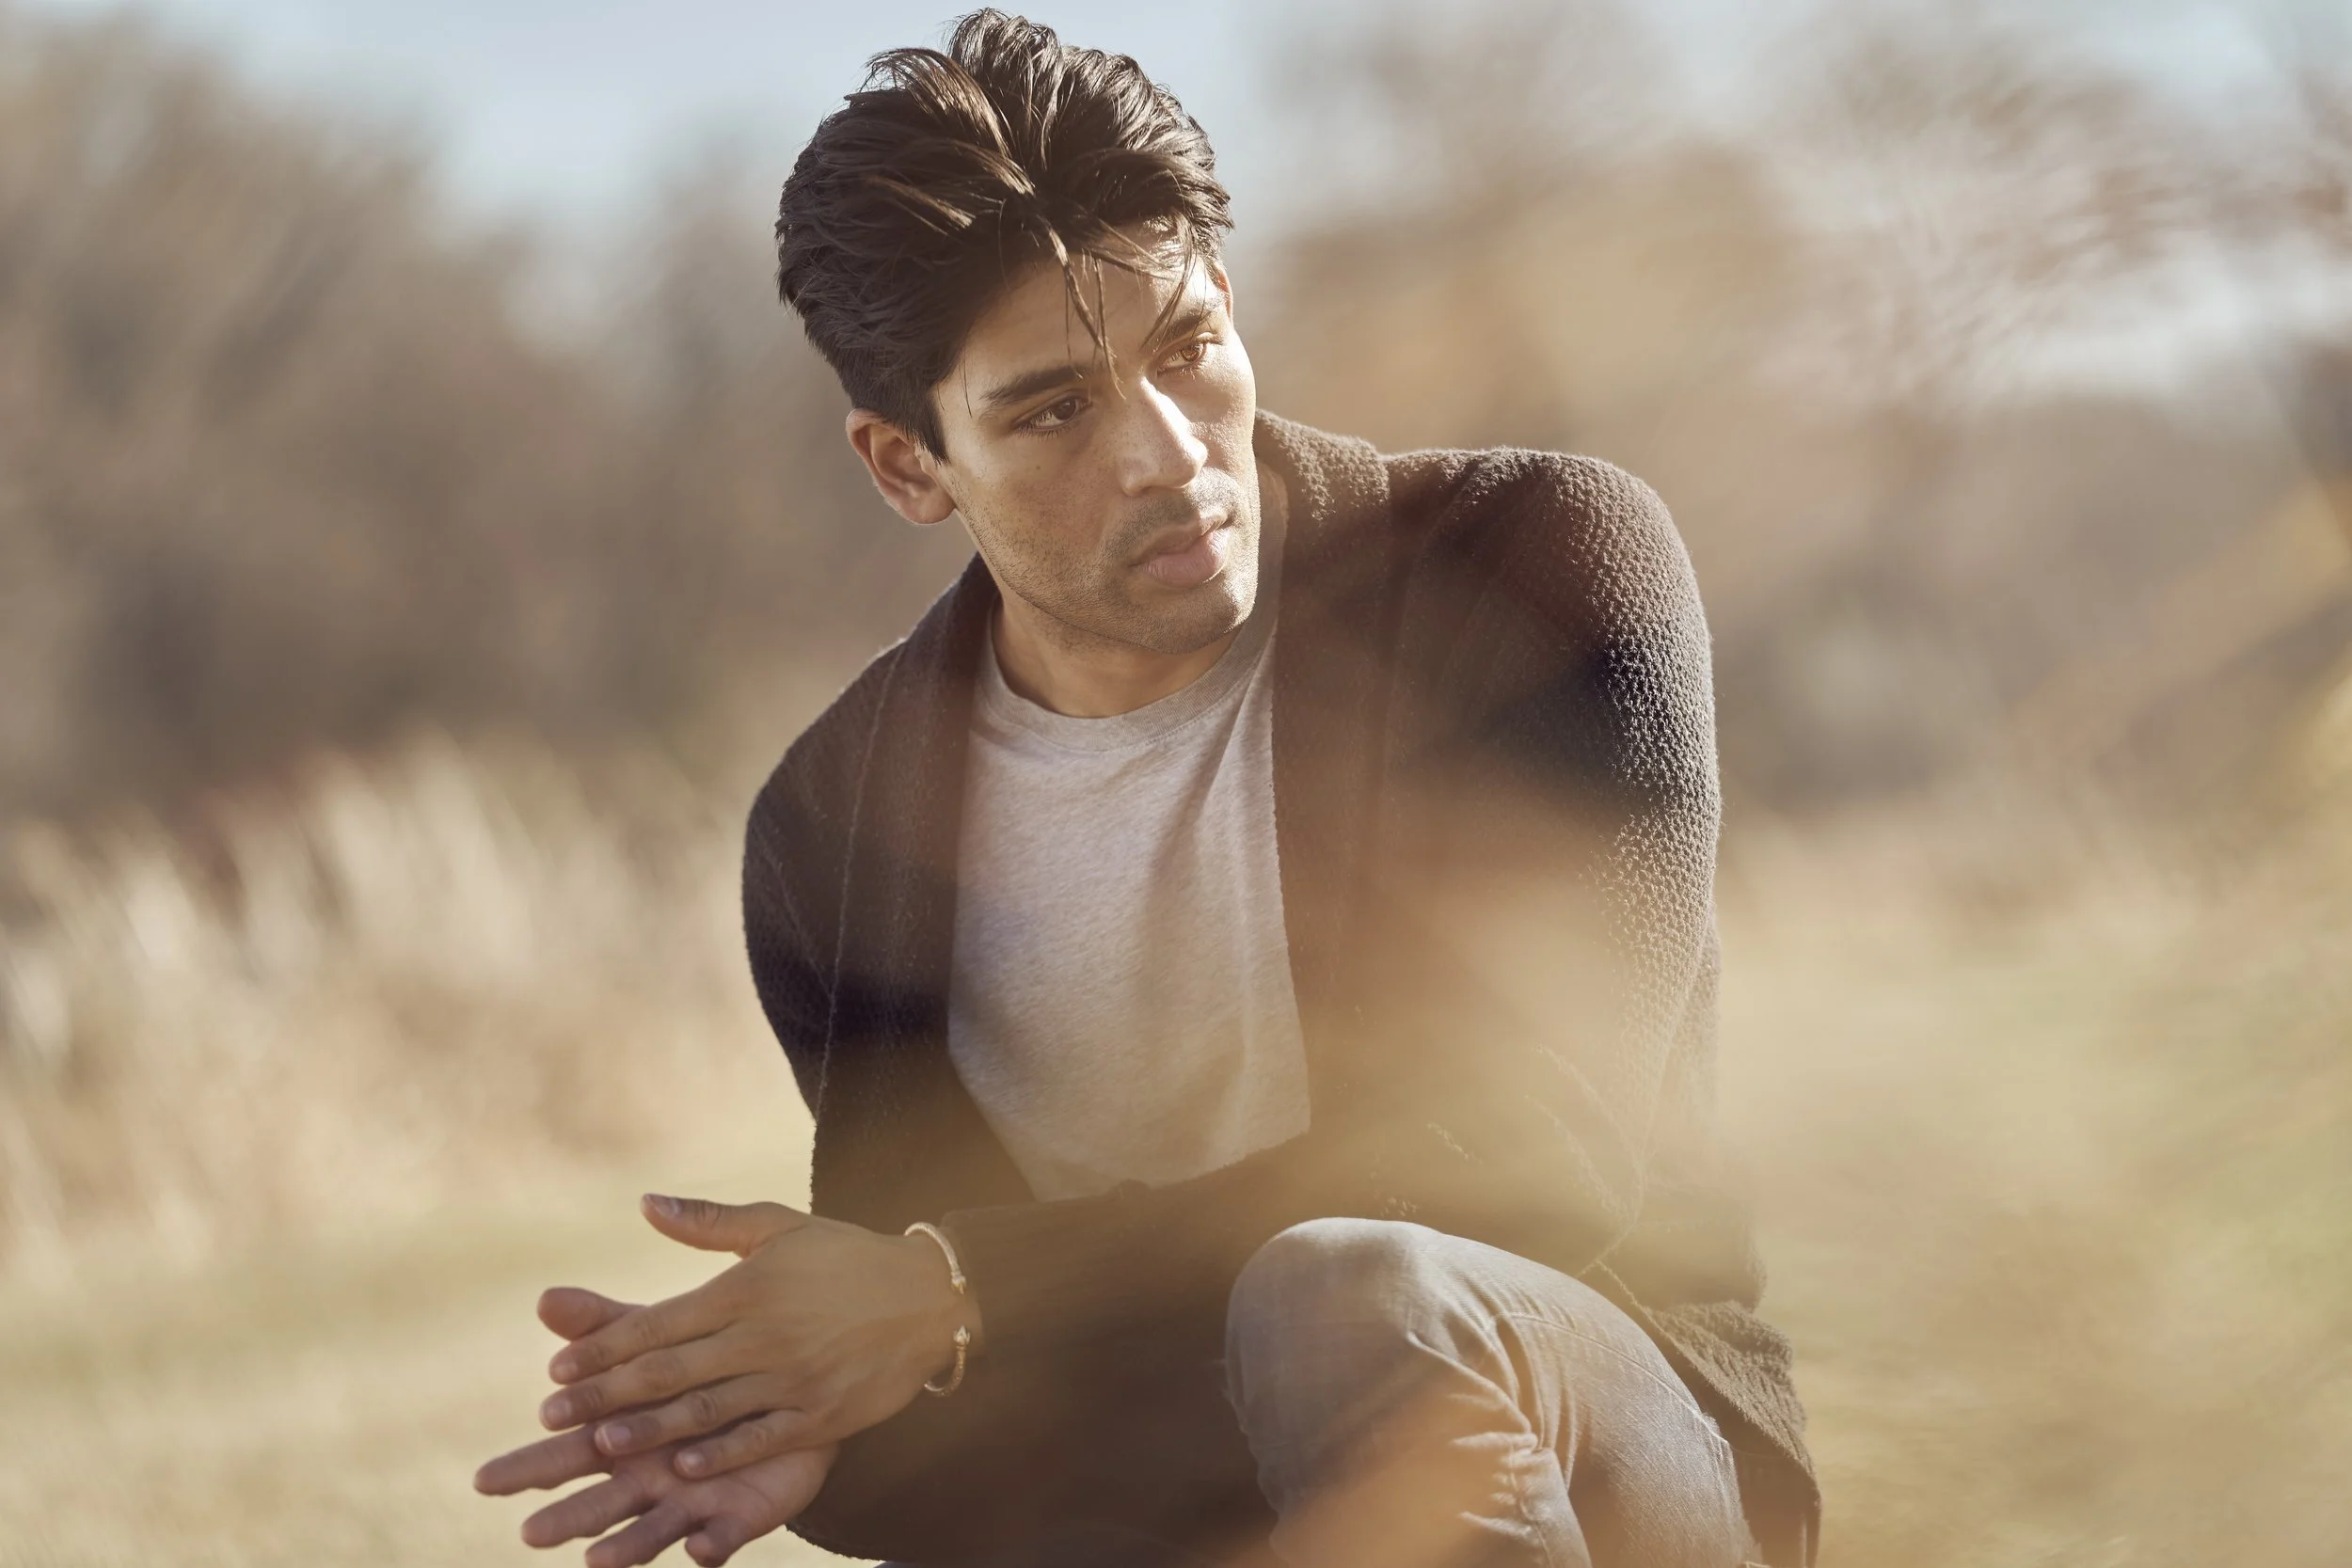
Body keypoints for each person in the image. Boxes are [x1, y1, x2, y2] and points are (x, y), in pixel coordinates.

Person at [475, 11, 1817, 1567]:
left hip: (1618, 1459)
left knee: (1351, 1292)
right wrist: (806, 1416)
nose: (1169, 452)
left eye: (1186, 348)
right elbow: (959, 1391)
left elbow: (1533, 1164)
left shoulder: (1531, 568)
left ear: (1232, 307)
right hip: (1187, 1512)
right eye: (1054, 409)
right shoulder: (837, 826)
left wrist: (955, 1287)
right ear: (910, 467)